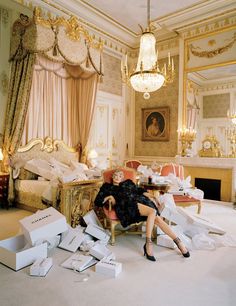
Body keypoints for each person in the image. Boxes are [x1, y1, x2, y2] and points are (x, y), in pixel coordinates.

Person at [94, 169, 190, 261]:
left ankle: (178, 242)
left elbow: (140, 191)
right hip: (127, 206)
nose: (117, 177)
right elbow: (98, 201)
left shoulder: (128, 183)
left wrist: (153, 197)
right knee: (152, 213)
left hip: (141, 202)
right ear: (112, 176)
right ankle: (149, 243)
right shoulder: (107, 187)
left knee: (157, 219)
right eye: (115, 175)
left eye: (120, 175)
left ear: (122, 177)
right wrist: (110, 197)